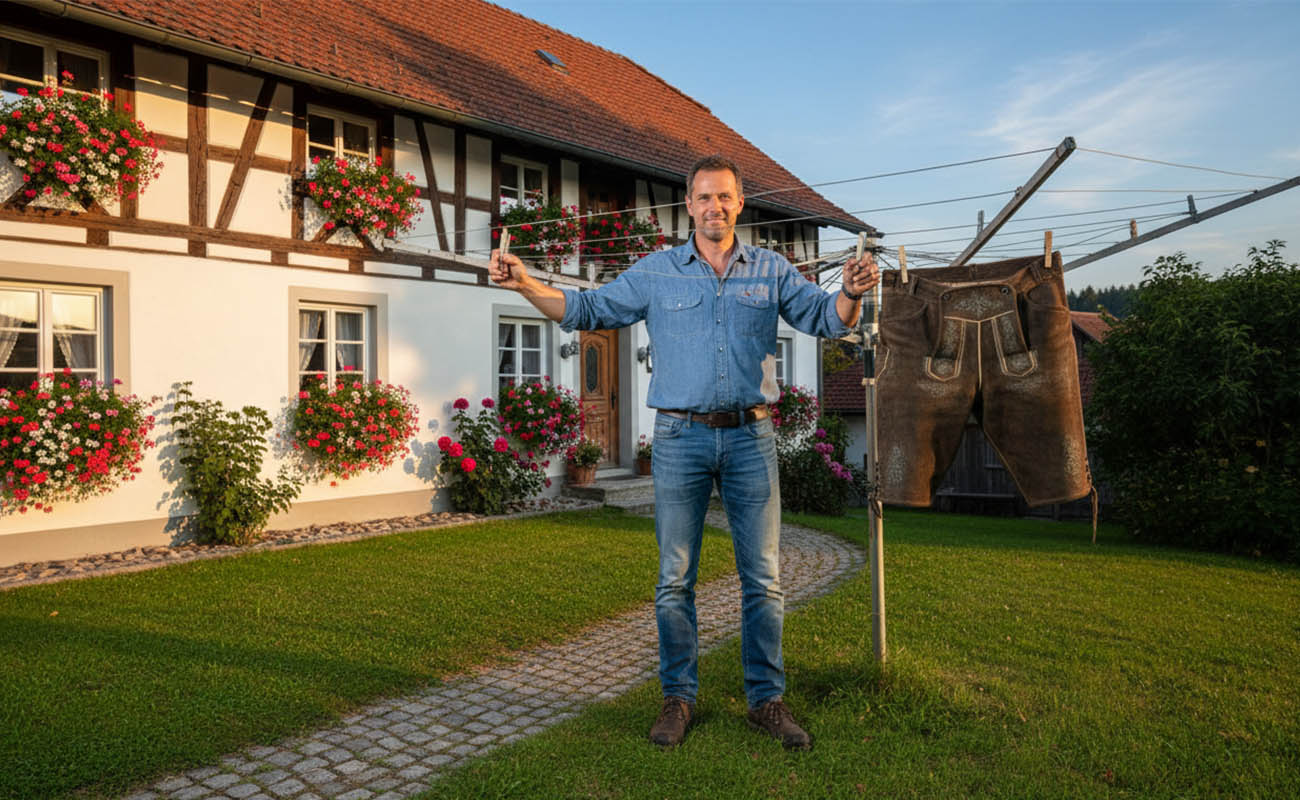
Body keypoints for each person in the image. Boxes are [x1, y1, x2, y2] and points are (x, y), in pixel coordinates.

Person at [489, 154, 879, 750]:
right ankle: (678, 698)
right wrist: (523, 282)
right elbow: (587, 310)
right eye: (703, 198)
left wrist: (849, 292)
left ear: (739, 203)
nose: (714, 207)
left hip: (752, 437)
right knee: (675, 578)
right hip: (679, 439)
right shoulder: (657, 272)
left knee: (765, 578)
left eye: (724, 197)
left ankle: (766, 701)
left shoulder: (771, 270)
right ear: (688, 205)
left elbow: (826, 319)